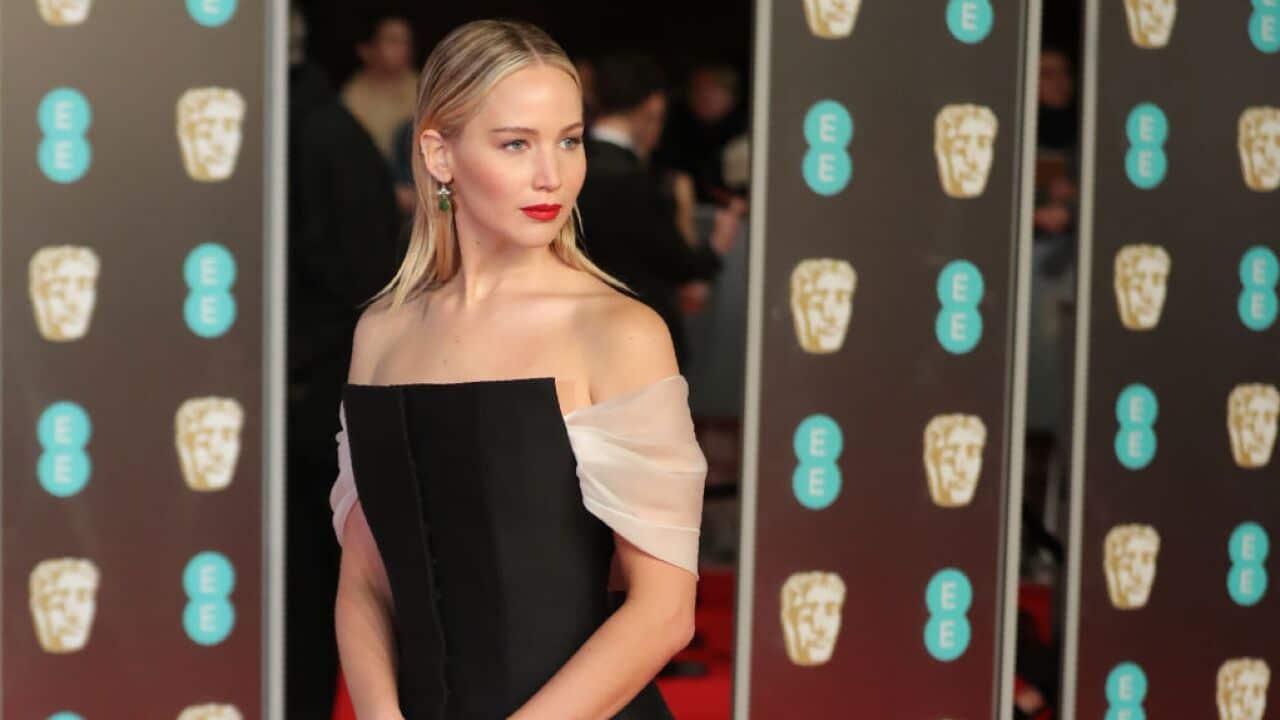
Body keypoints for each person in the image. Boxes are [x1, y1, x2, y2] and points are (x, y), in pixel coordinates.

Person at [328, 20, 707, 719]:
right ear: (439, 154)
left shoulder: (618, 332)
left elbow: (663, 612)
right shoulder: (381, 333)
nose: (551, 176)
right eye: (516, 144)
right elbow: (365, 583)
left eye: (569, 141)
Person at [577, 53, 742, 369]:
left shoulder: (568, 168)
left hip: (578, 341)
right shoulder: (640, 181)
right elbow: (678, 265)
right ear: (653, 107)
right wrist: (718, 243)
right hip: (641, 346)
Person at [341, 12, 419, 161]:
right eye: (392, 41)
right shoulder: (352, 100)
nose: (402, 48)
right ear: (366, 50)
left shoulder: (425, 88)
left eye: (406, 41)